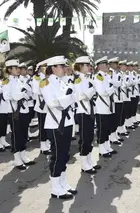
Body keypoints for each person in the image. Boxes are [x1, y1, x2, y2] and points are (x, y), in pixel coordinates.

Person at [40, 56, 77, 199]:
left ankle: (62, 183)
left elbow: (73, 98)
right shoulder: (46, 83)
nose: (65, 68)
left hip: (67, 122)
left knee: (65, 154)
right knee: (57, 156)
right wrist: (70, 98)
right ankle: (55, 188)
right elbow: (52, 103)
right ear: (54, 68)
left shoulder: (63, 82)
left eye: (64, 66)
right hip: (55, 124)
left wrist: (70, 98)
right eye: (62, 66)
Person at [3, 59, 36, 170]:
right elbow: (6, 96)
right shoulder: (7, 81)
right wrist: (20, 95)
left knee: (23, 135)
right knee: (16, 135)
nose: (18, 70)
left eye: (18, 68)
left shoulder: (20, 80)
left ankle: (23, 155)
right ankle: (17, 159)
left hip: (24, 110)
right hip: (15, 112)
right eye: (16, 68)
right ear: (9, 69)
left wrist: (25, 94)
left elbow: (29, 93)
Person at [73, 56, 101, 174]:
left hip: (89, 110)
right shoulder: (77, 79)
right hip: (82, 112)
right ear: (81, 66)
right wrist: (93, 88)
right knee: (85, 139)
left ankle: (89, 161)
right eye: (87, 65)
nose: (89, 67)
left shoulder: (86, 79)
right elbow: (82, 96)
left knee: (89, 137)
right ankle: (84, 164)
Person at [94, 56, 118, 158]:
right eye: (106, 65)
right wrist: (112, 88)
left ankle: (107, 146)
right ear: (100, 66)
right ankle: (102, 149)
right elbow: (102, 92)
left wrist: (111, 88)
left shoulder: (106, 76)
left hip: (108, 106)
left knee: (107, 128)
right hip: (101, 107)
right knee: (102, 129)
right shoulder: (98, 77)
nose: (108, 66)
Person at [32, 60, 51, 155]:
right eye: (43, 67)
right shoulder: (36, 78)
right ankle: (43, 146)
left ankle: (47, 143)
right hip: (41, 106)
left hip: (49, 106)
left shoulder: (49, 77)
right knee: (42, 126)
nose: (45, 69)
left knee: (48, 126)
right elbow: (36, 91)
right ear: (39, 69)